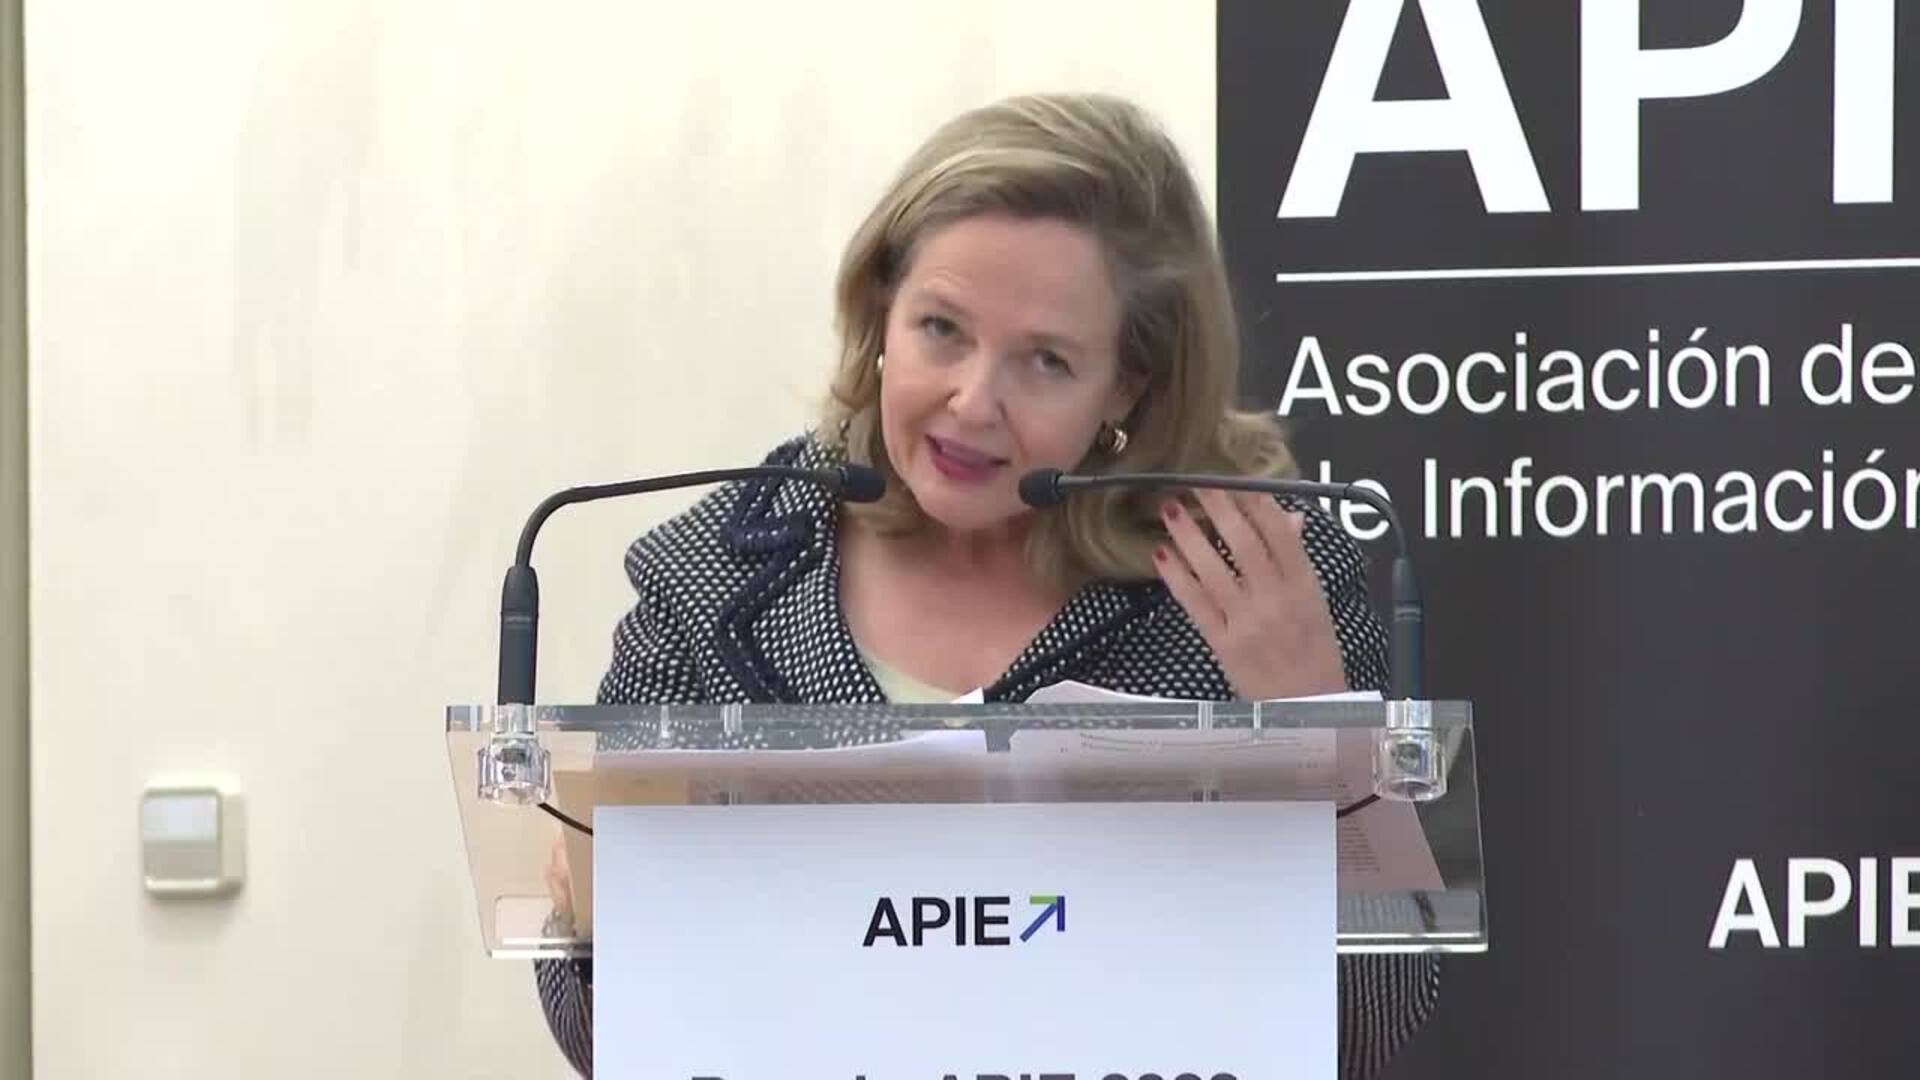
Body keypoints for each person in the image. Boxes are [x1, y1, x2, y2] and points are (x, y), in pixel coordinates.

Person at [534, 91, 1441, 1078]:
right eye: (941, 329)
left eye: (1044, 360)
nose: (973, 403)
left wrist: (1318, 730)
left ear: (1125, 386)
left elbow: (1369, 1029)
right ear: (881, 317)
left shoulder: (1255, 580)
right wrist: (595, 922)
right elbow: (605, 1037)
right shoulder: (715, 576)